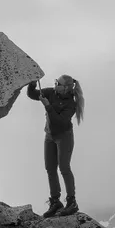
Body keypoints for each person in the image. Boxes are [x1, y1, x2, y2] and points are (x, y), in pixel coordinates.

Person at [27, 74, 85, 217]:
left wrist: (47, 105)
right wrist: (32, 84)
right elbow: (32, 94)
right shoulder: (50, 92)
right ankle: (55, 201)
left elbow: (59, 121)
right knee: (50, 168)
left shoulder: (71, 104)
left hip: (64, 137)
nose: (55, 84)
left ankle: (72, 202)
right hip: (50, 136)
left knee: (64, 167)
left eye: (58, 83)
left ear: (65, 88)